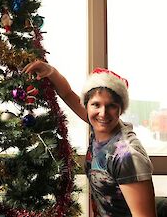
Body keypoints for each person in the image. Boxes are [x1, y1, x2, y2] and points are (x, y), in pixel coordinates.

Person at [23, 60, 157, 217]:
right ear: (86, 105)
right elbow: (67, 94)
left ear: (121, 109)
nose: (103, 113)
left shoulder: (127, 155)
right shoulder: (100, 127)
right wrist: (50, 71)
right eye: (96, 105)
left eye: (112, 106)